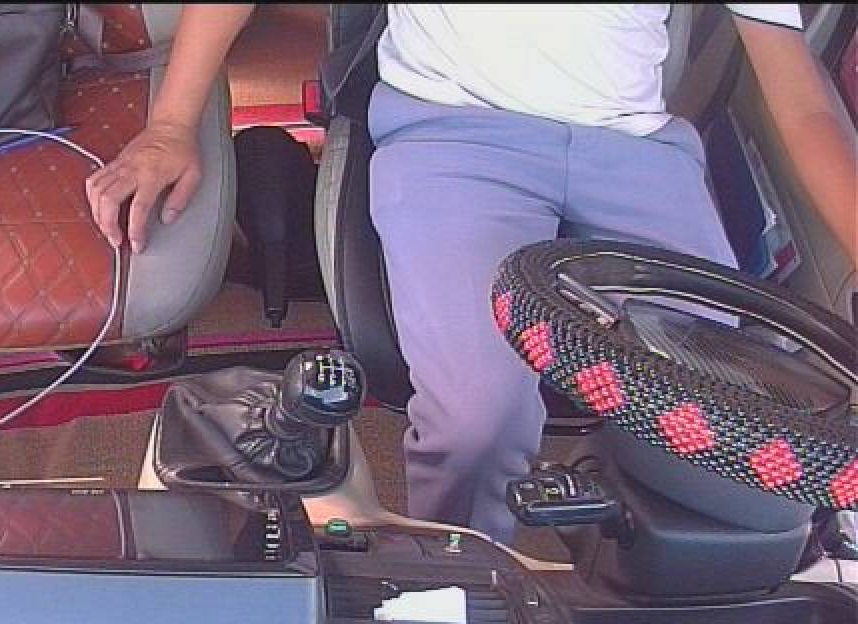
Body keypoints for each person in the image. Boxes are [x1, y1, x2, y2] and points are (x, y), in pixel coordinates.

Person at [85, 4, 858, 543]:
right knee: (480, 420)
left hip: (638, 152)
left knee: (736, 419)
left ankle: (677, 604)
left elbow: (802, 103)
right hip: (456, 135)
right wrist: (170, 125)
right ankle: (457, 583)